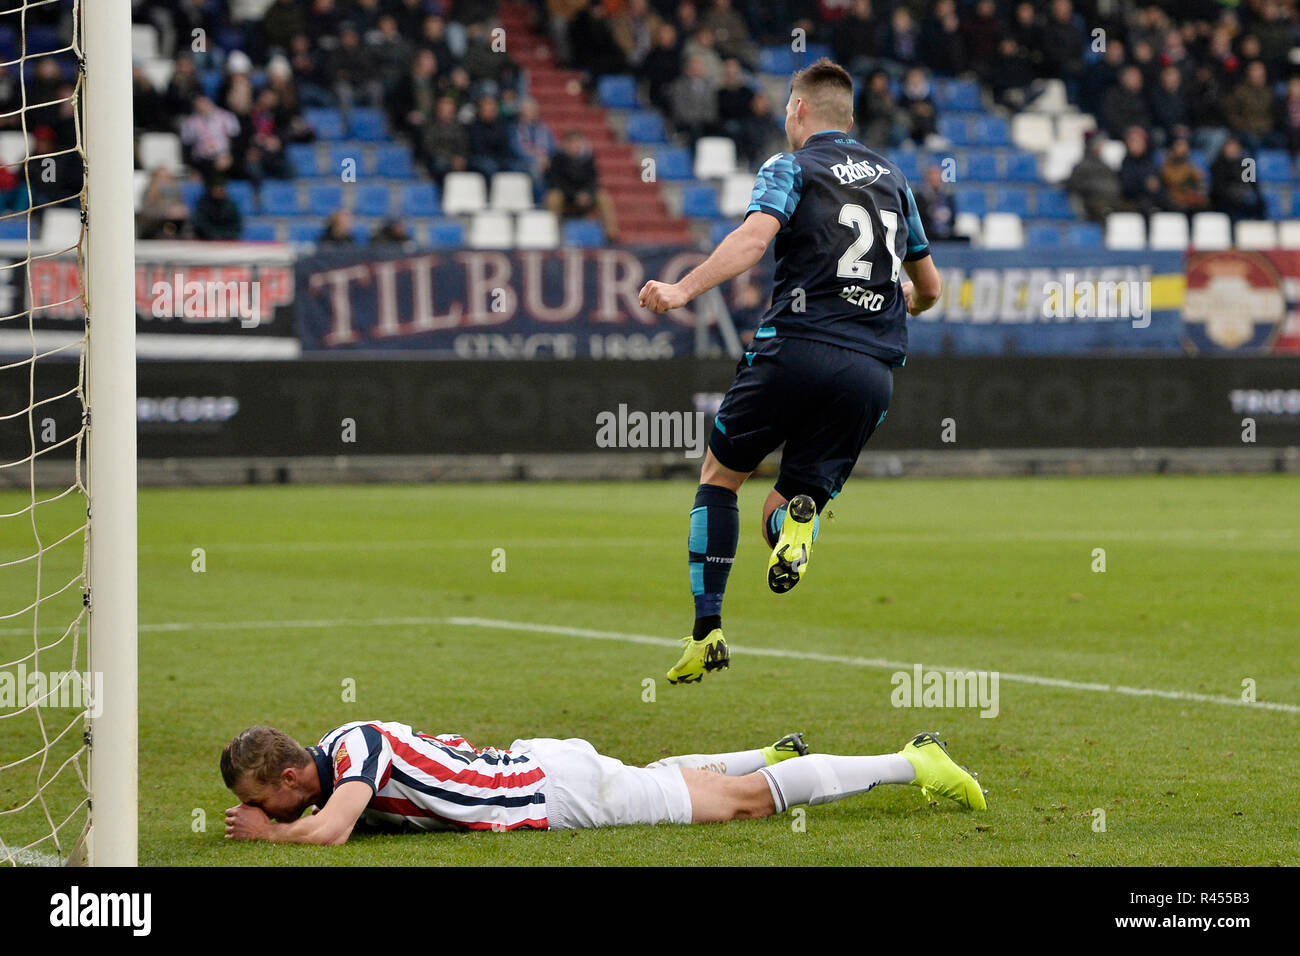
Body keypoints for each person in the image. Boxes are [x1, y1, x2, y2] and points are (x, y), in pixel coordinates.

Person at [638, 59, 942, 684]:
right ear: (847, 116)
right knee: (782, 506)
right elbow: (930, 288)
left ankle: (707, 630)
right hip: (871, 371)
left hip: (796, 351)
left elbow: (753, 241)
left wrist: (682, 290)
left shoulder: (792, 166)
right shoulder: (894, 179)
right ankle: (797, 523)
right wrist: (906, 301)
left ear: (799, 110)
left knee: (720, 479)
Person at [221, 723, 985, 842]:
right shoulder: (339, 753)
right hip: (540, 769)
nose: (263, 812)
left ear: (289, 776)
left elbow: (331, 831)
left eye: (262, 801)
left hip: (552, 793)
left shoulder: (353, 754)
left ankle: (914, 760)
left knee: (743, 808)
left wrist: (273, 836)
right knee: (655, 778)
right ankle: (768, 753)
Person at [545, 129, 618, 239]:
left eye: (577, 142)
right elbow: (556, 182)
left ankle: (611, 234)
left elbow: (594, 181)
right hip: (566, 199)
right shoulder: (557, 160)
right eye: (572, 142)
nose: (575, 145)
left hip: (585, 198)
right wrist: (574, 195)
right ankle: (555, 235)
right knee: (553, 197)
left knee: (602, 196)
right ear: (565, 144)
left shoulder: (588, 159)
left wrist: (587, 194)